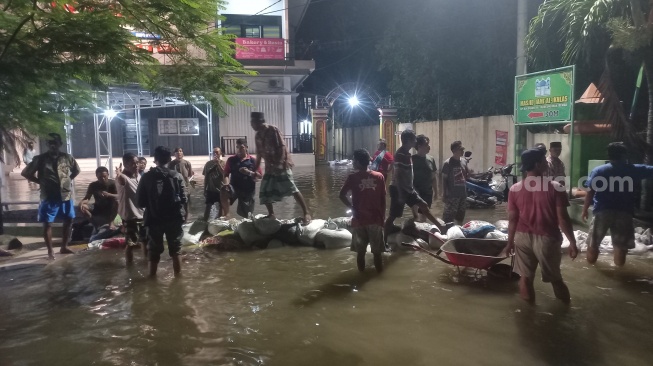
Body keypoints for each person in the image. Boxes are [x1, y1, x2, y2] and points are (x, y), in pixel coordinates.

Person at [507, 148, 578, 303]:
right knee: (556, 280)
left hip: (522, 238)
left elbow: (512, 219)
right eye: (544, 160)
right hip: (547, 238)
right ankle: (566, 312)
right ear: (538, 164)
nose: (547, 162)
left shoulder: (514, 189)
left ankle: (528, 317)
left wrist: (509, 243)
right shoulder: (555, 187)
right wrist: (572, 242)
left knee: (525, 278)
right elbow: (563, 219)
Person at [582, 142, 653, 266]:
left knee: (593, 243)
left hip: (602, 212)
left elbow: (590, 192)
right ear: (624, 155)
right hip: (624, 213)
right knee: (620, 247)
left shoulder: (599, 170)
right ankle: (619, 273)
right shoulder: (633, 169)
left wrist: (584, 210)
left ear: (609, 155)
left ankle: (591, 267)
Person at [21, 133, 80, 259]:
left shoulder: (67, 157)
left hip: (65, 195)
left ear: (60, 144)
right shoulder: (39, 159)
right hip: (48, 196)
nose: (53, 145)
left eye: (56, 142)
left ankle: (64, 246)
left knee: (69, 220)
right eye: (50, 143)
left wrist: (67, 180)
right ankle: (50, 251)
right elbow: (25, 173)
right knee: (47, 223)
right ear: (47, 144)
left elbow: (76, 170)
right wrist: (40, 182)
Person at [250, 112, 311, 223]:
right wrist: (255, 169)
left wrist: (280, 163)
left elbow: (282, 147)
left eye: (252, 122)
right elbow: (259, 154)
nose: (251, 125)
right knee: (264, 190)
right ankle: (271, 214)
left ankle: (306, 212)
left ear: (259, 121)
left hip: (282, 166)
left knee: (292, 189)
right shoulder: (258, 136)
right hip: (269, 168)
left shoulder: (272, 130)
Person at [137, 146, 187, 277]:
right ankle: (178, 279)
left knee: (153, 251)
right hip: (174, 218)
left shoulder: (147, 177)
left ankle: (152, 280)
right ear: (169, 159)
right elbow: (184, 199)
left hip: (154, 219)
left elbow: (140, 202)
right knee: (176, 250)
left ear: (155, 160)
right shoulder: (177, 176)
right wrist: (184, 216)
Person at [385, 130, 443, 236]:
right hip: (399, 189)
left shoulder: (407, 154)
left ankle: (441, 227)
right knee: (393, 216)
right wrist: (402, 195)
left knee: (424, 206)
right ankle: (384, 241)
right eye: (414, 139)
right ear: (408, 140)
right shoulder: (401, 154)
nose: (416, 141)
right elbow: (397, 175)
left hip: (408, 189)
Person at [340, 149, 386, 272]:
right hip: (376, 220)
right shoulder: (379, 176)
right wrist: (383, 217)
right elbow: (383, 199)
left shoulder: (352, 178)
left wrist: (352, 208)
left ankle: (361, 276)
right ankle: (379, 277)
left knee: (360, 253)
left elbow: (342, 195)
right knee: (377, 253)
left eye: (354, 160)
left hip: (359, 220)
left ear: (359, 162)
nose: (353, 162)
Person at [116, 153, 146, 265]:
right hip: (130, 217)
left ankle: (146, 263)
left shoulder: (138, 175)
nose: (136, 165)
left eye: (137, 162)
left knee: (145, 241)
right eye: (133, 163)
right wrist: (119, 174)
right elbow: (121, 181)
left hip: (142, 214)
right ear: (125, 164)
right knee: (130, 244)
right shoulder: (123, 177)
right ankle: (129, 265)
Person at [221, 138, 262, 218]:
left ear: (246, 147)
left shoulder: (253, 160)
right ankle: (227, 215)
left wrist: (249, 173)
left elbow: (260, 176)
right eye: (237, 147)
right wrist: (226, 184)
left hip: (248, 190)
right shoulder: (231, 159)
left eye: (241, 147)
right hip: (234, 187)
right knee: (223, 190)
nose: (239, 149)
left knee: (247, 216)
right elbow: (226, 174)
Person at [80, 166, 118, 233]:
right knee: (83, 207)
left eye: (104, 176)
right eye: (100, 177)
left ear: (108, 175)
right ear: (97, 176)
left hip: (110, 207)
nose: (103, 179)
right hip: (97, 206)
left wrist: (109, 195)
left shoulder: (113, 184)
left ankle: (111, 222)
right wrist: (81, 203)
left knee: (117, 201)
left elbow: (120, 196)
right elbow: (87, 198)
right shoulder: (93, 185)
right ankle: (95, 224)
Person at [441, 141, 469, 225]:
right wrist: (444, 194)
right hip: (452, 196)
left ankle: (458, 232)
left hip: (462, 194)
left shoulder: (464, 161)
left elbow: (467, 176)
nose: (463, 151)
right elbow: (444, 180)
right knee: (448, 218)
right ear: (454, 150)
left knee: (460, 216)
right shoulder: (447, 163)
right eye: (461, 149)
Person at [411, 135, 438, 221]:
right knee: (416, 218)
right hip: (415, 192)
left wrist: (436, 192)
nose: (429, 146)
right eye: (426, 144)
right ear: (419, 146)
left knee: (424, 217)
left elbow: (433, 177)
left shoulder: (431, 159)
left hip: (428, 192)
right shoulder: (412, 159)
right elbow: (407, 177)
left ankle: (423, 233)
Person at [202, 147, 228, 221]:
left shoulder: (224, 163)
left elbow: (224, 174)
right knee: (208, 207)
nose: (215, 154)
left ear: (220, 153)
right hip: (210, 189)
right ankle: (205, 223)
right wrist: (204, 190)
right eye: (214, 152)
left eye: (217, 152)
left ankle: (218, 222)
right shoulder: (208, 164)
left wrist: (218, 164)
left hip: (220, 190)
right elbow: (206, 177)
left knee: (220, 208)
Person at [168, 147, 194, 222]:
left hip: (185, 186)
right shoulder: (171, 164)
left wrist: (189, 184)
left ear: (182, 153)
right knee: (176, 203)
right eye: (177, 151)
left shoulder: (187, 163)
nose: (179, 153)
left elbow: (190, 174)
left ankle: (185, 220)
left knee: (186, 203)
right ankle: (176, 218)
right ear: (174, 154)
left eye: (180, 151)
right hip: (174, 187)